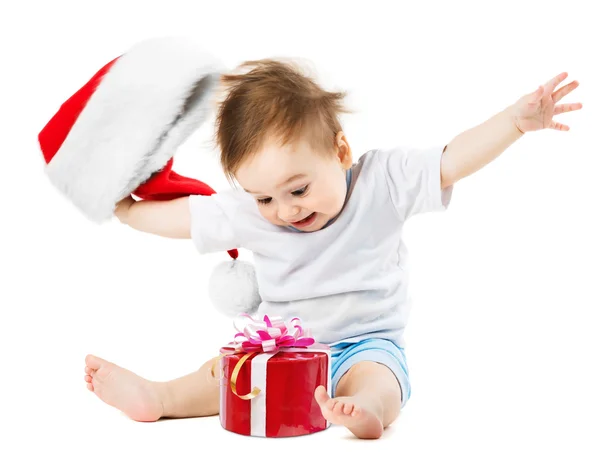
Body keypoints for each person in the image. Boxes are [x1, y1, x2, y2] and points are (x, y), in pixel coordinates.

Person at [83, 60, 581, 439]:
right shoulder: (250, 212)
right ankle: (160, 396)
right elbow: (183, 218)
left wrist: (515, 122)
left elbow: (451, 161)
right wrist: (125, 210)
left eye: (298, 190)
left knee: (379, 377)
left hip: (362, 343)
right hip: (283, 350)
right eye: (264, 198)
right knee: (224, 373)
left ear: (341, 152)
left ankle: (367, 411)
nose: (284, 211)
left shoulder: (382, 182)